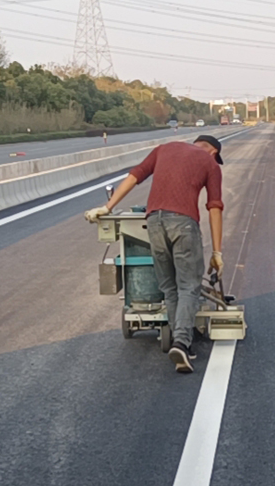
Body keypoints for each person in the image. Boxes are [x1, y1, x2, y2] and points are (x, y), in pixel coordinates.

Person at [85, 135, 225, 373]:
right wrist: (217, 252)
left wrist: (106, 208)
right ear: (213, 151)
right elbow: (214, 207)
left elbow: (134, 176)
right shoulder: (210, 163)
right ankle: (182, 341)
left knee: (169, 286)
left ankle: (178, 341)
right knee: (189, 286)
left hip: (154, 222)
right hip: (183, 223)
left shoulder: (164, 149)